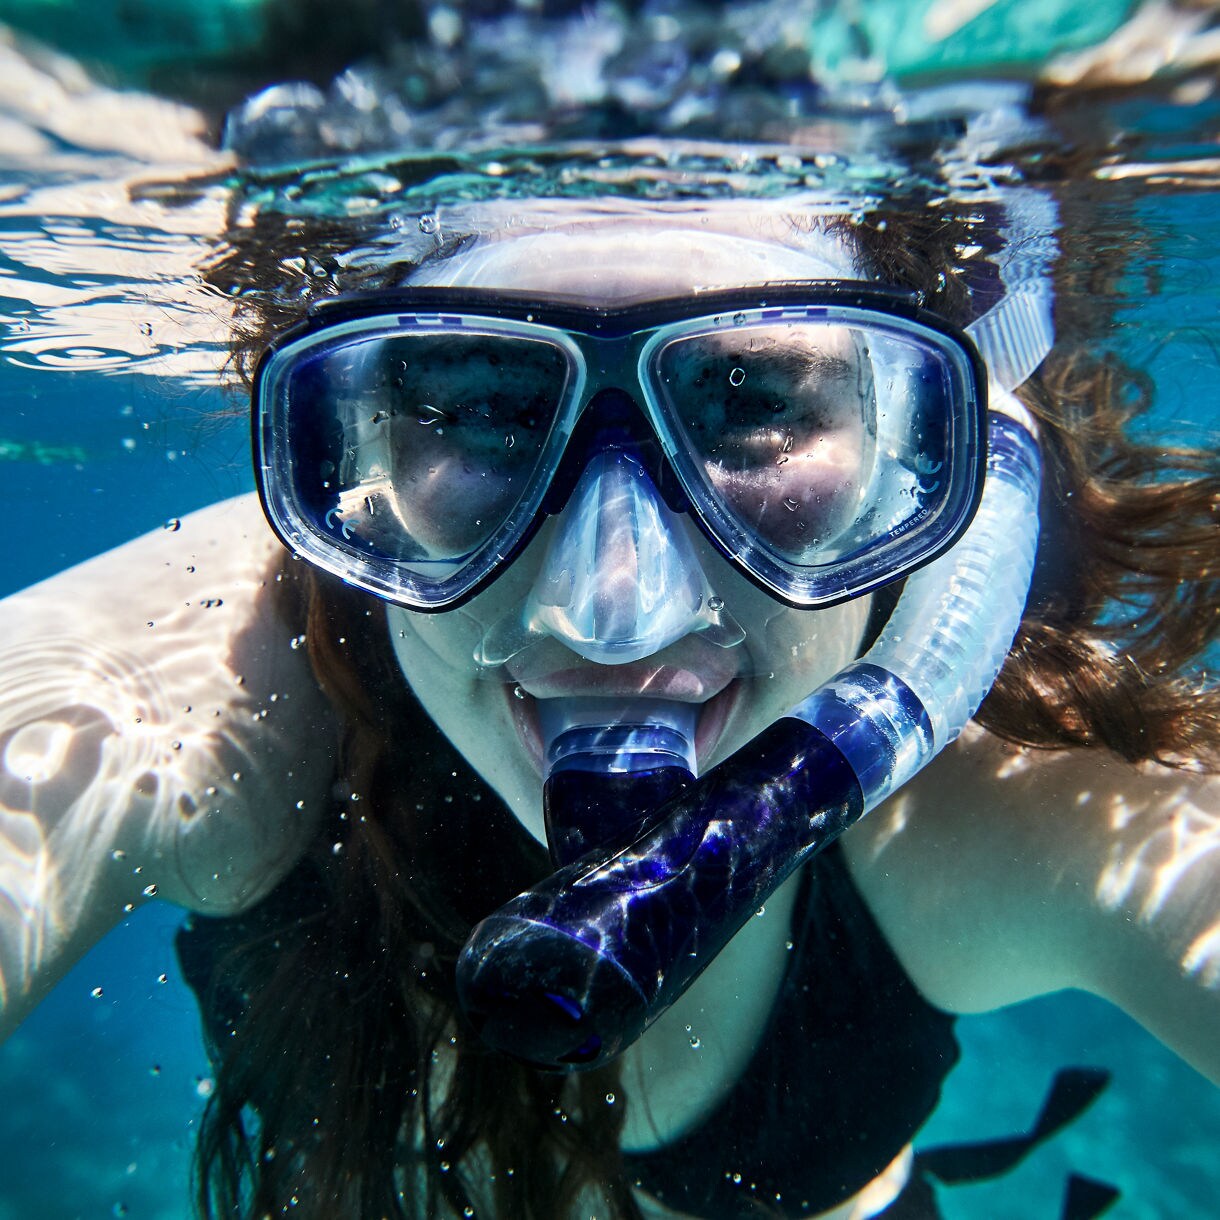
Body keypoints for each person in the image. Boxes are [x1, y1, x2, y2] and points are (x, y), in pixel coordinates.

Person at [1, 7, 1218, 1220]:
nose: (611, 618)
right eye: (481, 406)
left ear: (913, 451)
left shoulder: (994, 801)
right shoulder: (206, 684)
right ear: (350, 449)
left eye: (751, 402)